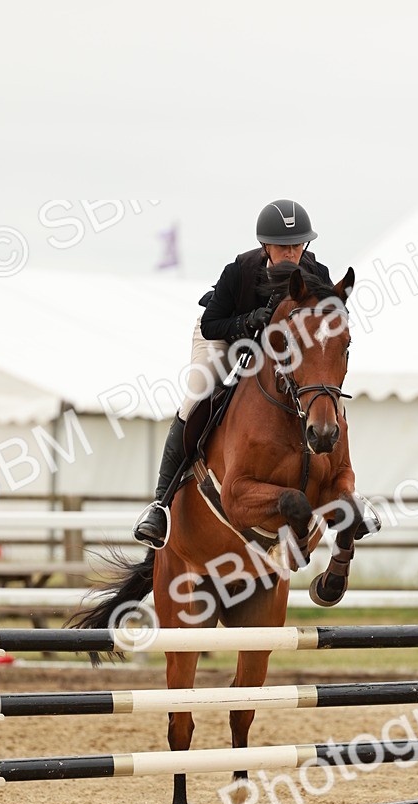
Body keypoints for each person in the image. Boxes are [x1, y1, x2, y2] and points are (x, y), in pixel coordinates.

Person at [133, 199, 333, 549]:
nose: (291, 252)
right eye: (283, 246)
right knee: (197, 397)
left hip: (279, 350)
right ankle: (160, 505)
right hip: (224, 338)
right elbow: (212, 324)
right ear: (265, 246)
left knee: (323, 397)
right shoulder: (239, 271)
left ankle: (347, 488)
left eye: (297, 244)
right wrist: (249, 320)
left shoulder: (317, 274)